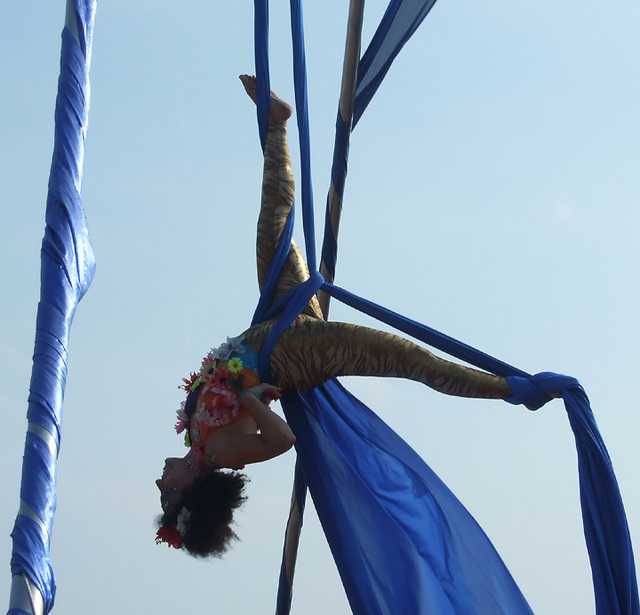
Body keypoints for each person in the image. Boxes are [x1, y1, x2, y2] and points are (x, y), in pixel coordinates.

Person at [155, 75, 517, 557]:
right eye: (167, 491)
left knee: (272, 227)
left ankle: (276, 125)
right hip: (293, 353)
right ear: (189, 492)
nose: (161, 481)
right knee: (402, 357)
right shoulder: (220, 453)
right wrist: (252, 395)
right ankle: (509, 389)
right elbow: (281, 440)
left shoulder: (199, 435)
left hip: (278, 320)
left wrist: (247, 390)